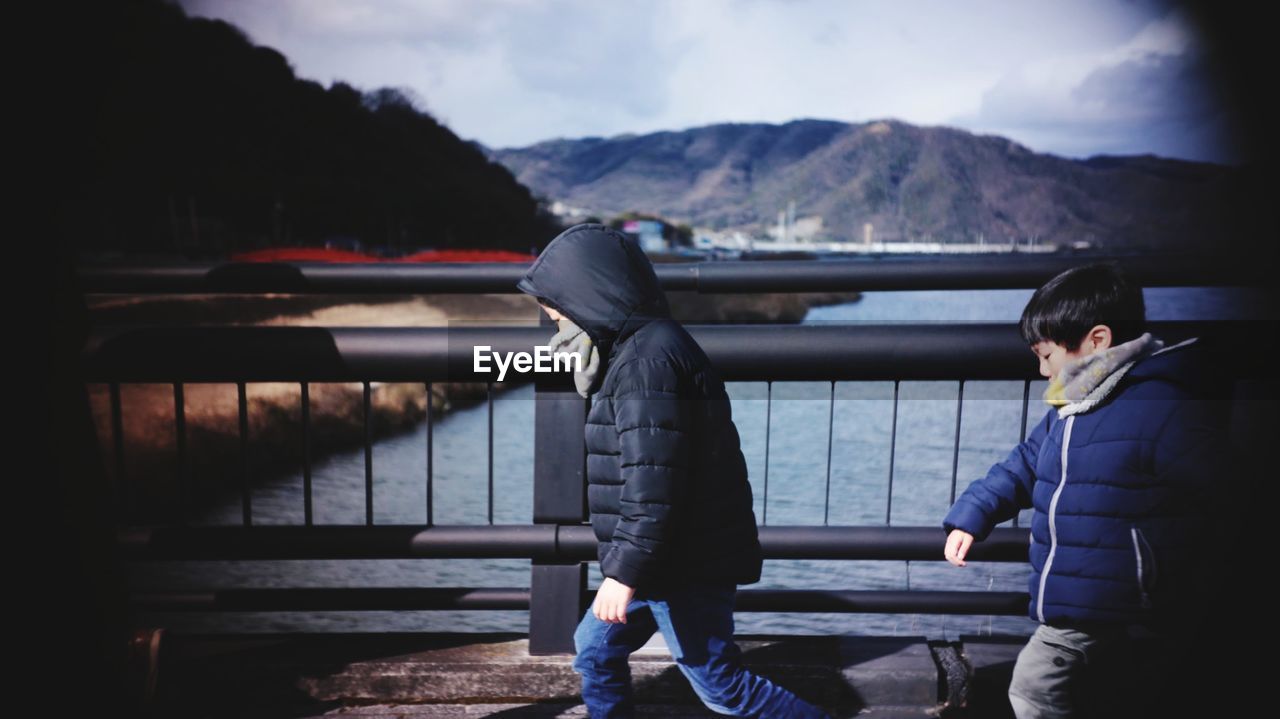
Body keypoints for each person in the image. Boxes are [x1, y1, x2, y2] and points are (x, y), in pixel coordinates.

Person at [517, 223, 830, 718]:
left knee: (722, 686)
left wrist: (623, 575)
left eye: (557, 307)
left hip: (685, 563)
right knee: (594, 651)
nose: (552, 318)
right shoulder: (632, 349)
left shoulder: (648, 361)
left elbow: (654, 484)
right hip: (658, 559)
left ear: (590, 296)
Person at [940, 262, 1230, 719]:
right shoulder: (1069, 405)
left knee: (1034, 689)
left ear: (1097, 340)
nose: (1040, 370)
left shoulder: (1165, 408)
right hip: (1083, 600)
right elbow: (1023, 465)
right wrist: (973, 514)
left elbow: (1223, 497)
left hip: (1119, 604)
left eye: (1047, 355)